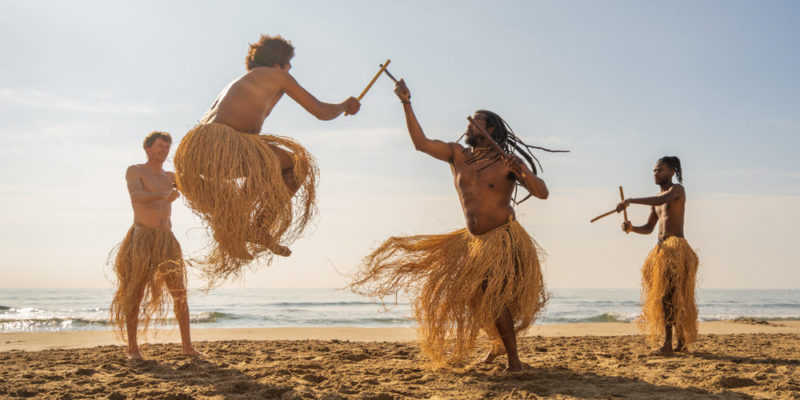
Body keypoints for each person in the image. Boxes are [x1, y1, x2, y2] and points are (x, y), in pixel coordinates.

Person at [350, 80, 552, 371]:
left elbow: (542, 192)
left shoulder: (506, 162)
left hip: (502, 237)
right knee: (473, 298)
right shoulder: (458, 155)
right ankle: (497, 344)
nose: (469, 125)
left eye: (477, 121)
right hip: (473, 242)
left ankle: (514, 361)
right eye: (470, 122)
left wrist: (522, 172)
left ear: (490, 129)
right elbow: (421, 144)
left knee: (492, 295)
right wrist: (406, 102)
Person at [174, 34, 360, 284]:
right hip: (219, 144)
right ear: (278, 62)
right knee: (297, 165)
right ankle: (248, 225)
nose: (291, 69)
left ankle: (243, 225)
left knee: (271, 161)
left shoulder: (243, 81)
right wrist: (344, 106)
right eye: (289, 64)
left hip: (194, 153)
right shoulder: (277, 76)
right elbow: (321, 112)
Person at [110, 131, 200, 360]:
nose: (164, 150)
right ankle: (133, 348)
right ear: (147, 148)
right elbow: (136, 197)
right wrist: (163, 195)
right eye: (160, 146)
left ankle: (187, 346)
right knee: (135, 292)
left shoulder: (171, 176)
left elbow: (197, 185)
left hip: (166, 240)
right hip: (142, 238)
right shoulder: (135, 171)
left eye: (167, 147)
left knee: (180, 292)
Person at [616, 156, 699, 355]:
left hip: (677, 249)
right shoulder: (655, 202)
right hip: (662, 250)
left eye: (660, 170)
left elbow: (662, 199)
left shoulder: (677, 190)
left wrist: (630, 201)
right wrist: (632, 228)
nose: (656, 173)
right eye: (654, 170)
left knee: (672, 296)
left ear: (672, 172)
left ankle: (669, 346)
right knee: (668, 296)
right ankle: (680, 344)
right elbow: (648, 228)